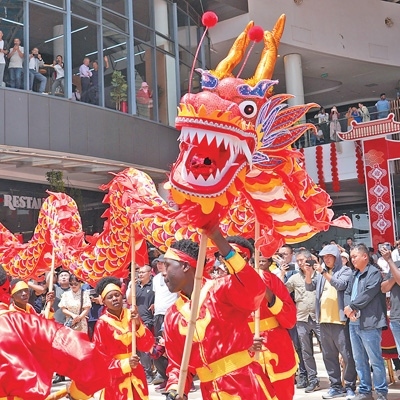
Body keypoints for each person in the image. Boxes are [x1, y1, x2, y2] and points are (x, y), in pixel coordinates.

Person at [162, 225, 277, 400]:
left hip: (245, 385)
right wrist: (176, 390)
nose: (163, 273)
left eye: (167, 266)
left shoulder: (221, 289)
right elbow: (177, 364)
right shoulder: (172, 314)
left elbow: (255, 290)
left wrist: (217, 238)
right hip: (210, 392)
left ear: (185, 266)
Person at [305, 244, 357, 399]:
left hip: (340, 321)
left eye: (329, 256)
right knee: (328, 355)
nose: (326, 259)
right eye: (324, 257)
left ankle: (349, 386)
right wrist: (308, 273)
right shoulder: (322, 273)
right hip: (323, 320)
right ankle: (335, 386)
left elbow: (340, 285)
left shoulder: (345, 271)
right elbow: (310, 287)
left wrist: (323, 272)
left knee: (347, 356)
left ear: (336, 257)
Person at [92, 276, 154, 400]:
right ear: (104, 301)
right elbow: (99, 359)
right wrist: (125, 364)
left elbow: (147, 345)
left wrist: (138, 324)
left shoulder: (132, 315)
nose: (114, 298)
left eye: (117, 295)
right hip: (115, 377)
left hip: (136, 373)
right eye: (110, 297)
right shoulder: (102, 323)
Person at [344, 244, 388, 400]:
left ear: (365, 256)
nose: (352, 259)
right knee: (359, 360)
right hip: (354, 322)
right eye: (351, 257)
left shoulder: (374, 273)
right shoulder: (354, 274)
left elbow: (368, 294)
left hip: (370, 323)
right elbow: (347, 293)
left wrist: (352, 307)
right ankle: (365, 391)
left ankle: (381, 392)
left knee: (375, 360)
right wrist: (348, 309)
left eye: (355, 256)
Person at [252, 253, 298, 400]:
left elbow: (290, 319)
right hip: (244, 352)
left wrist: (270, 297)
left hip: (276, 346)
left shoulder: (271, 280)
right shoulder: (223, 285)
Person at [286, 249, 322, 393]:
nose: (300, 263)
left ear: (309, 259)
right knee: (306, 351)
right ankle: (313, 379)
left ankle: (335, 380)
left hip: (319, 318)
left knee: (327, 350)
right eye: (298, 261)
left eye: (302, 260)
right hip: (301, 318)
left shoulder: (319, 275)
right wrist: (281, 274)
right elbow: (283, 291)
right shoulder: (294, 278)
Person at [126, 264, 156, 384]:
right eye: (139, 272)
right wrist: (132, 286)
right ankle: (142, 370)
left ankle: (149, 373)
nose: (140, 274)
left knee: (145, 348)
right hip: (135, 320)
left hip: (148, 320)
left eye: (143, 272)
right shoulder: (136, 286)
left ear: (150, 273)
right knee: (136, 347)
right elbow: (129, 300)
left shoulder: (153, 285)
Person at [152, 253, 177, 384]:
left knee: (174, 346)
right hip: (158, 315)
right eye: (158, 263)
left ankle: (179, 377)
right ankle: (164, 376)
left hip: (171, 314)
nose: (159, 265)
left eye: (162, 263)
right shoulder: (155, 279)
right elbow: (157, 295)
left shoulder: (174, 276)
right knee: (159, 347)